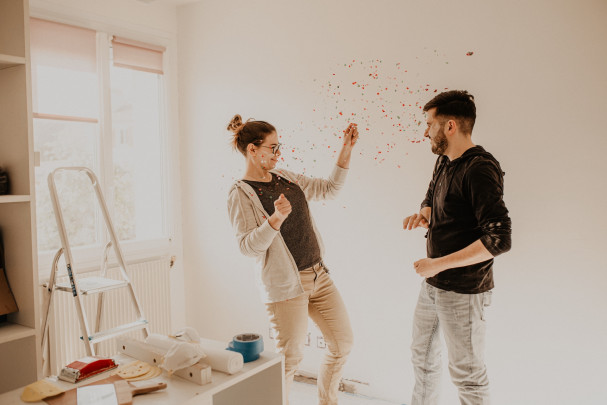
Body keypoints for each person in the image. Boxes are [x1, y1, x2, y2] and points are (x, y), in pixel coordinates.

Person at [226, 115, 358, 405]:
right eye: (272, 147)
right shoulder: (240, 193)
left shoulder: (286, 177)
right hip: (285, 285)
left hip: (318, 275)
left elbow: (329, 189)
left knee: (342, 343)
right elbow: (248, 248)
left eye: (278, 146)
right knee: (289, 360)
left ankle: (327, 402)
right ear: (252, 150)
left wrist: (346, 149)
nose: (277, 153)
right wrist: (275, 219)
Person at [403, 90, 511, 404]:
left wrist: (436, 264)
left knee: (468, 376)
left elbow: (499, 239)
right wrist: (425, 212)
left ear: (450, 127)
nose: (425, 131)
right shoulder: (445, 160)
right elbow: (432, 192)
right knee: (422, 360)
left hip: (464, 292)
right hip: (433, 286)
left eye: (429, 124)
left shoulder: (480, 169)